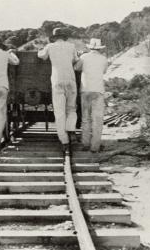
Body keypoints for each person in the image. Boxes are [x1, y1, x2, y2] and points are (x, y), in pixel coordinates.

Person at [38, 27, 79, 155]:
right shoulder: (71, 46)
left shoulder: (50, 46)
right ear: (64, 37)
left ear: (54, 37)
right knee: (71, 109)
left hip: (57, 81)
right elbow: (76, 61)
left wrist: (40, 50)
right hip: (71, 80)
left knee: (59, 112)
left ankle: (64, 141)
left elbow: (42, 56)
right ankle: (71, 130)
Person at [74, 38, 108, 153]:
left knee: (85, 119)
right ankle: (95, 147)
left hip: (85, 89)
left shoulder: (84, 57)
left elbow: (76, 68)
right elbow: (104, 71)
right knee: (97, 119)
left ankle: (85, 144)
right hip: (98, 90)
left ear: (90, 47)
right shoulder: (103, 58)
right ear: (99, 48)